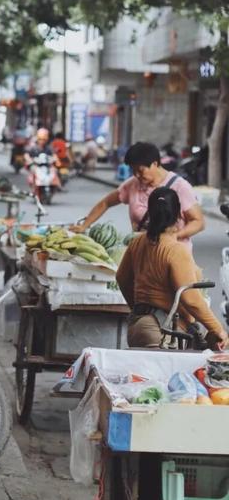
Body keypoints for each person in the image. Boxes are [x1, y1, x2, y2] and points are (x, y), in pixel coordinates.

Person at [116, 187, 228, 350]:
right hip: (162, 331)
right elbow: (191, 300)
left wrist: (138, 307)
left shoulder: (137, 243)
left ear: (150, 213)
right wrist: (218, 329)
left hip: (138, 325)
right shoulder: (175, 250)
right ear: (178, 214)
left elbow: (121, 278)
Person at [72, 141, 204, 246]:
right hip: (142, 254)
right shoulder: (133, 184)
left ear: (155, 163)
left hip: (173, 253)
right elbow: (106, 202)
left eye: (140, 170)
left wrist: (175, 236)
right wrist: (85, 225)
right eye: (133, 171)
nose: (137, 175)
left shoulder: (180, 187)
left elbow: (198, 222)